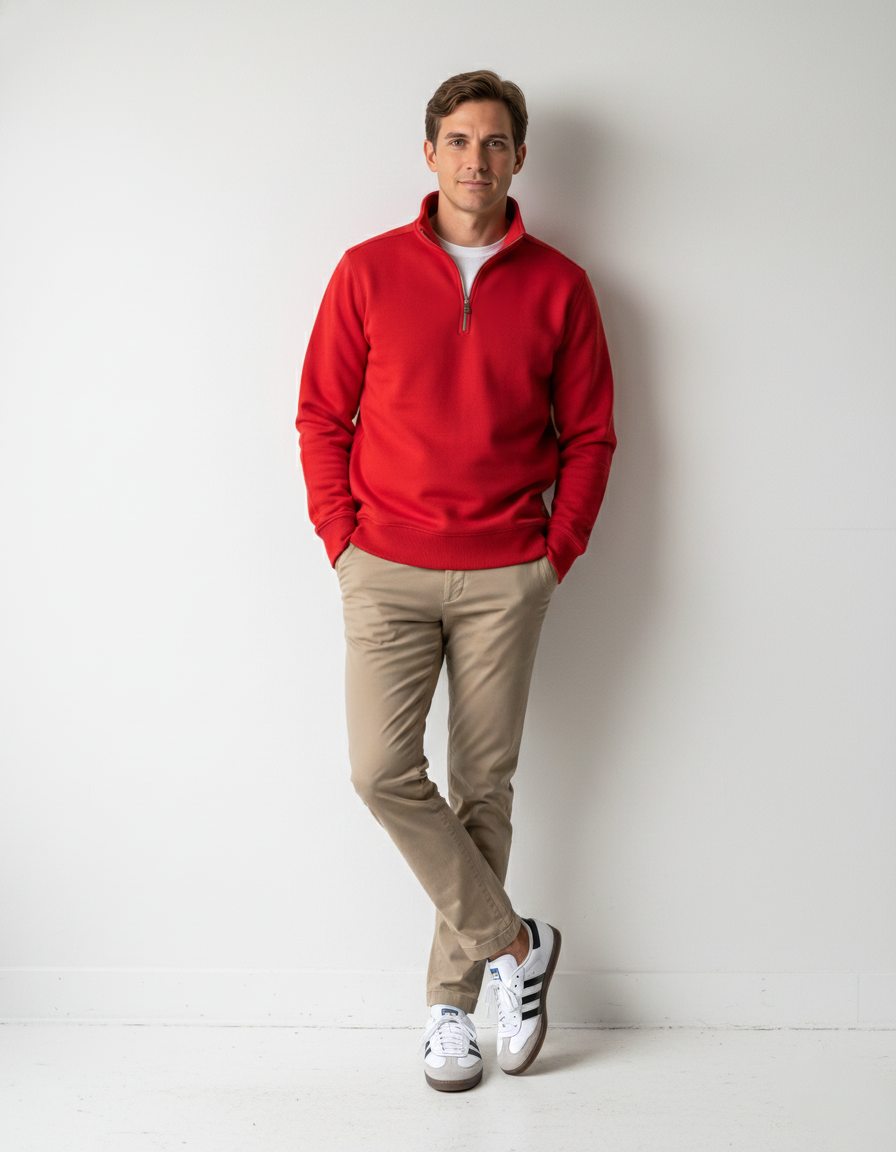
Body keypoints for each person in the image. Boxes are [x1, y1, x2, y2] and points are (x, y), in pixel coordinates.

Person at [296, 69, 615, 1091]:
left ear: (519, 157)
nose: (477, 159)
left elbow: (591, 433)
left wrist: (553, 553)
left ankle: (449, 1009)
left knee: (483, 788)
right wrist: (342, 539)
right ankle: (517, 944)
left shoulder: (560, 285)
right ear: (429, 153)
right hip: (384, 566)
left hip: (505, 572)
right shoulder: (366, 271)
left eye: (495, 142)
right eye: (459, 141)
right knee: (379, 771)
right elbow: (322, 415)